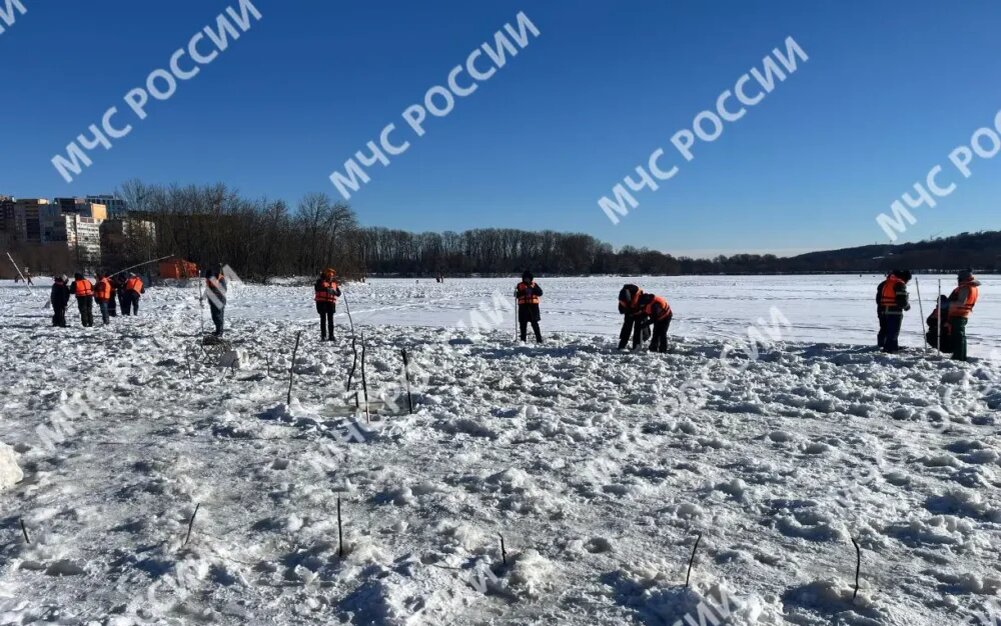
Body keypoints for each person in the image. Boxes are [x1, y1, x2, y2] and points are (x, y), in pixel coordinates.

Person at [947, 270, 980, 361]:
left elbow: (961, 302)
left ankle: (958, 357)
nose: (958, 280)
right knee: (961, 336)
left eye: (959, 278)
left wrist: (948, 303)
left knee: (958, 337)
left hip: (958, 315)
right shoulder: (973, 287)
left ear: (963, 278)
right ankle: (961, 356)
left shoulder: (965, 287)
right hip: (963, 314)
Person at [876, 269, 911, 353]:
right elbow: (902, 301)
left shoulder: (884, 283)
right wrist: (907, 306)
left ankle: (883, 345)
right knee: (893, 331)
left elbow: (878, 299)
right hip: (894, 311)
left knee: (884, 329)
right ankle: (890, 349)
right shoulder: (899, 284)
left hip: (882, 310)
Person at [617, 284, 649, 350]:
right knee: (626, 328)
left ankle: (637, 346)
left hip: (640, 313)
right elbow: (621, 310)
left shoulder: (640, 296)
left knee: (638, 329)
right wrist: (628, 310)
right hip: (629, 312)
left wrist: (638, 311)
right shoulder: (623, 296)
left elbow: (645, 307)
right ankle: (622, 345)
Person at [515, 271, 543, 343]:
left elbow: (540, 293)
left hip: (533, 307)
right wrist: (524, 292)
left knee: (535, 324)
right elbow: (516, 295)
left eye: (528, 278)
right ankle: (523, 340)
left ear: (531, 279)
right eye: (525, 278)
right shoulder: (519, 285)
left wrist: (532, 290)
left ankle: (539, 340)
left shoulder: (534, 285)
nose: (526, 280)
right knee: (523, 324)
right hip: (523, 307)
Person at [314, 268, 341, 341]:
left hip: (331, 302)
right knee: (323, 319)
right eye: (329, 274)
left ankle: (331, 336)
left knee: (331, 320)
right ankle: (323, 336)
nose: (330, 276)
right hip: (321, 302)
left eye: (331, 275)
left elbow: (339, 293)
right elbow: (317, 288)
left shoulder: (334, 283)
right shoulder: (320, 281)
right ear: (325, 274)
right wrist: (326, 289)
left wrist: (334, 292)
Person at [204, 266, 227, 336]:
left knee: (218, 317)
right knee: (215, 316)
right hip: (213, 300)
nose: (208, 279)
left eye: (209, 278)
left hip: (219, 300)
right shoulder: (210, 279)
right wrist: (203, 297)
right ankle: (218, 331)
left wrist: (214, 290)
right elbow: (208, 290)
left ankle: (219, 332)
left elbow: (224, 290)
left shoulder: (220, 279)